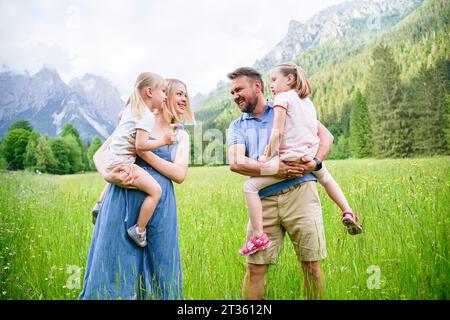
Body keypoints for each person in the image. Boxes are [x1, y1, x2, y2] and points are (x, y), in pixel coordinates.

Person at [79, 78, 193, 300]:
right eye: (179, 93)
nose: (184, 99)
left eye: (186, 95)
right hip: (121, 199)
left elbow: (179, 174)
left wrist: (143, 153)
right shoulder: (139, 122)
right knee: (113, 263)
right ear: (164, 95)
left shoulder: (180, 135)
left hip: (161, 206)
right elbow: (100, 154)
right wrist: (108, 175)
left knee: (161, 266)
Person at [227, 67, 333, 300]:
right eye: (232, 92)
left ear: (257, 86)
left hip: (301, 194)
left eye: (239, 89)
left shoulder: (286, 104)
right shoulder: (237, 126)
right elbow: (236, 162)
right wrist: (276, 169)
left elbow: (326, 137)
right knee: (255, 268)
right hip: (263, 201)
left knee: (312, 268)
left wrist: (314, 163)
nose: (235, 96)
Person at [239, 63, 362, 256]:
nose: (270, 85)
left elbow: (277, 133)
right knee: (327, 179)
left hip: (292, 158)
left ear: (289, 79)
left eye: (273, 80)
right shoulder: (307, 102)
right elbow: (316, 132)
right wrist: (314, 160)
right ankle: (347, 211)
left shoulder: (282, 98)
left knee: (250, 187)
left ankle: (259, 236)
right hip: (310, 156)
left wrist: (266, 156)